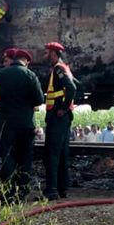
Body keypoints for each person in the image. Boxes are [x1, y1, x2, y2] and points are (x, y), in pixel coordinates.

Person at [0, 48, 44, 201]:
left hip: (7, 123)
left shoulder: (1, 74)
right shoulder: (30, 75)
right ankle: (21, 193)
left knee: (8, 156)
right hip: (26, 124)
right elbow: (39, 99)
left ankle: (7, 192)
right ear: (26, 61)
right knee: (25, 158)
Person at [42, 42, 77, 201]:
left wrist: (63, 107)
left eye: (47, 52)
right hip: (61, 117)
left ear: (54, 54)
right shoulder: (64, 68)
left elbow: (71, 88)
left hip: (57, 116)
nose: (45, 55)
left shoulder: (58, 69)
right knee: (62, 153)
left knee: (52, 153)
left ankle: (52, 190)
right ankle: (62, 188)